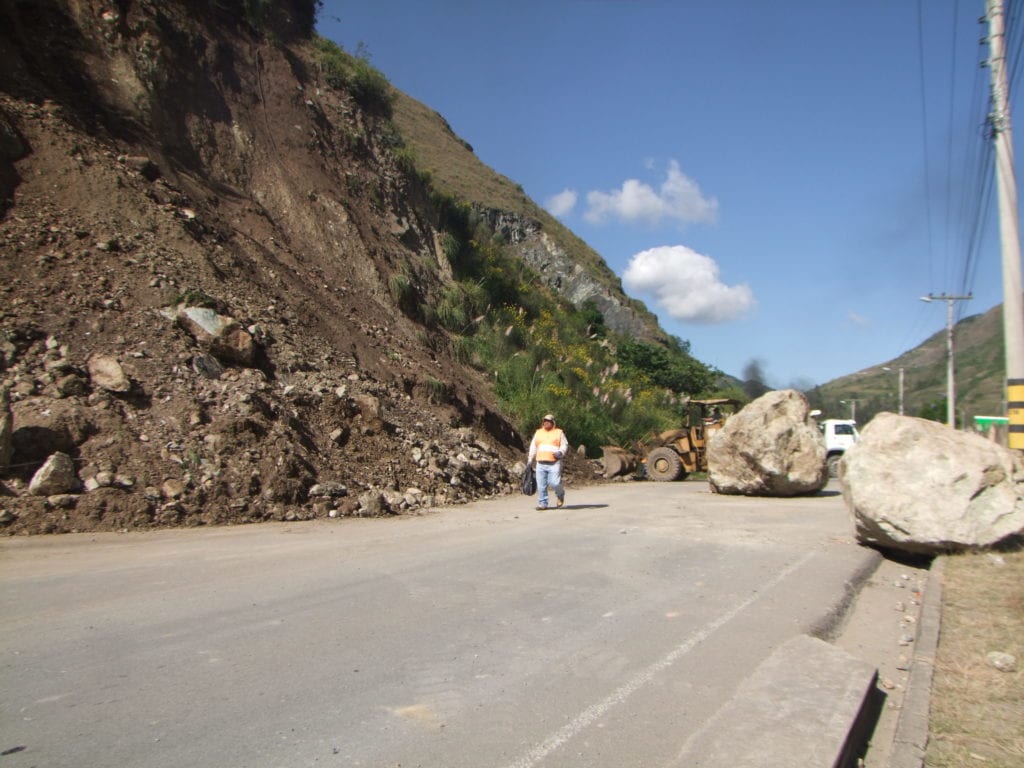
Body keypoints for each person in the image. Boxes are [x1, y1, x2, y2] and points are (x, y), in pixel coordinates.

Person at [527, 413, 568, 510]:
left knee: (555, 483)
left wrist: (561, 452)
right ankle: (543, 503)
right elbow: (533, 447)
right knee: (541, 485)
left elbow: (564, 445)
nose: (546, 423)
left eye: (548, 421)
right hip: (541, 463)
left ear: (553, 422)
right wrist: (530, 460)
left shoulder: (559, 433)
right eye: (545, 421)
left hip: (554, 463)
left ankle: (560, 495)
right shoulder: (538, 433)